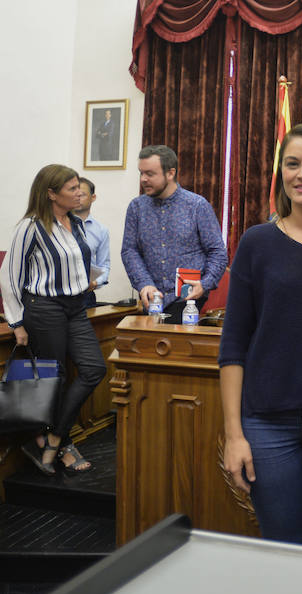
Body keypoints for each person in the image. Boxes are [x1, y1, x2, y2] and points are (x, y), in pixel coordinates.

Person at [219, 123, 302, 545]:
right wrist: (234, 435)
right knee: (286, 545)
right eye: (292, 164)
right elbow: (233, 345)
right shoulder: (257, 242)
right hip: (266, 424)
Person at [0, 165, 107, 475]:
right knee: (53, 380)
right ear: (51, 193)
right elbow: (9, 277)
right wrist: (16, 322)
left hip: (76, 307)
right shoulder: (30, 227)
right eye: (72, 188)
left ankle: (54, 437)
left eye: (79, 187)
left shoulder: (76, 222)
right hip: (44, 307)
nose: (79, 192)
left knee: (93, 369)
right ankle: (59, 444)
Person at [121, 145, 227, 324]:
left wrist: (205, 284)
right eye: (141, 173)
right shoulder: (136, 208)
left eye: (150, 174)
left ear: (170, 173)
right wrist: (144, 283)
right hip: (153, 299)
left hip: (188, 302)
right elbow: (129, 251)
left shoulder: (197, 206)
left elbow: (218, 252)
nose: (143, 179)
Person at [75, 177, 110, 308]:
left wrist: (95, 283)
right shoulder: (58, 225)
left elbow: (104, 265)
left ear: (93, 197)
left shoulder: (101, 230)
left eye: (82, 195)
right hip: (59, 294)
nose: (77, 198)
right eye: (74, 194)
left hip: (86, 294)